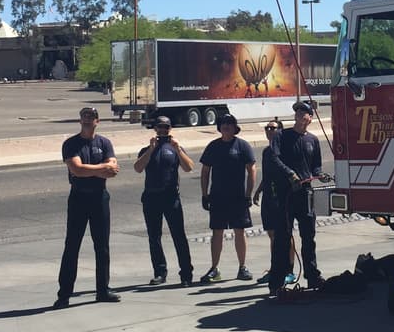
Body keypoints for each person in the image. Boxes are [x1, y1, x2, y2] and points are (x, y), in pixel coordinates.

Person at [54, 106, 120, 307]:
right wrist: (101, 169)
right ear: (80, 120)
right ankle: (64, 294)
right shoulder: (71, 144)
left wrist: (91, 170)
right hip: (78, 199)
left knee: (102, 247)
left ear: (97, 121)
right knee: (72, 245)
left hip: (100, 198)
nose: (87, 120)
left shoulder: (104, 143)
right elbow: (77, 169)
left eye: (91, 117)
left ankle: (103, 290)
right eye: (83, 117)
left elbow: (113, 168)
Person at [265, 100, 325, 295]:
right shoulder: (282, 136)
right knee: (283, 238)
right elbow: (274, 158)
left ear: (310, 118)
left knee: (309, 237)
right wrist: (290, 174)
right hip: (286, 194)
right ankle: (277, 281)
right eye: (297, 112)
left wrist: (320, 174)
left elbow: (316, 165)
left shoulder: (313, 140)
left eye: (304, 112)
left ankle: (312, 276)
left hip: (305, 193)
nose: (300, 115)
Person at [134, 116, 195, 286]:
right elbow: (138, 168)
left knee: (179, 236)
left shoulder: (175, 148)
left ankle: (186, 273)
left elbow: (189, 167)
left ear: (170, 129)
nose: (163, 130)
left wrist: (177, 149)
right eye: (160, 127)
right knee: (154, 237)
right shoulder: (147, 149)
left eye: (166, 127)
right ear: (155, 129)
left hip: (171, 197)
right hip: (151, 197)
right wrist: (151, 149)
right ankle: (160, 272)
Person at [198, 113, 257, 283]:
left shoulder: (242, 146)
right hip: (217, 196)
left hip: (238, 197)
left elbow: (252, 169)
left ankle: (242, 267)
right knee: (217, 232)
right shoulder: (213, 146)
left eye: (229, 123)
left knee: (240, 231)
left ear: (235, 127)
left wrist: (248, 194)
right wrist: (204, 194)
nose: (226, 126)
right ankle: (214, 268)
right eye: (223, 123)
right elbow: (205, 171)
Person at [252, 119, 297, 286]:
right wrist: (258, 191)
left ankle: (289, 270)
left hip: (283, 196)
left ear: (280, 131)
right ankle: (275, 269)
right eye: (267, 128)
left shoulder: (284, 150)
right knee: (272, 235)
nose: (269, 130)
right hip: (269, 197)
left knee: (286, 234)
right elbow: (267, 175)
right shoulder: (266, 152)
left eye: (273, 128)